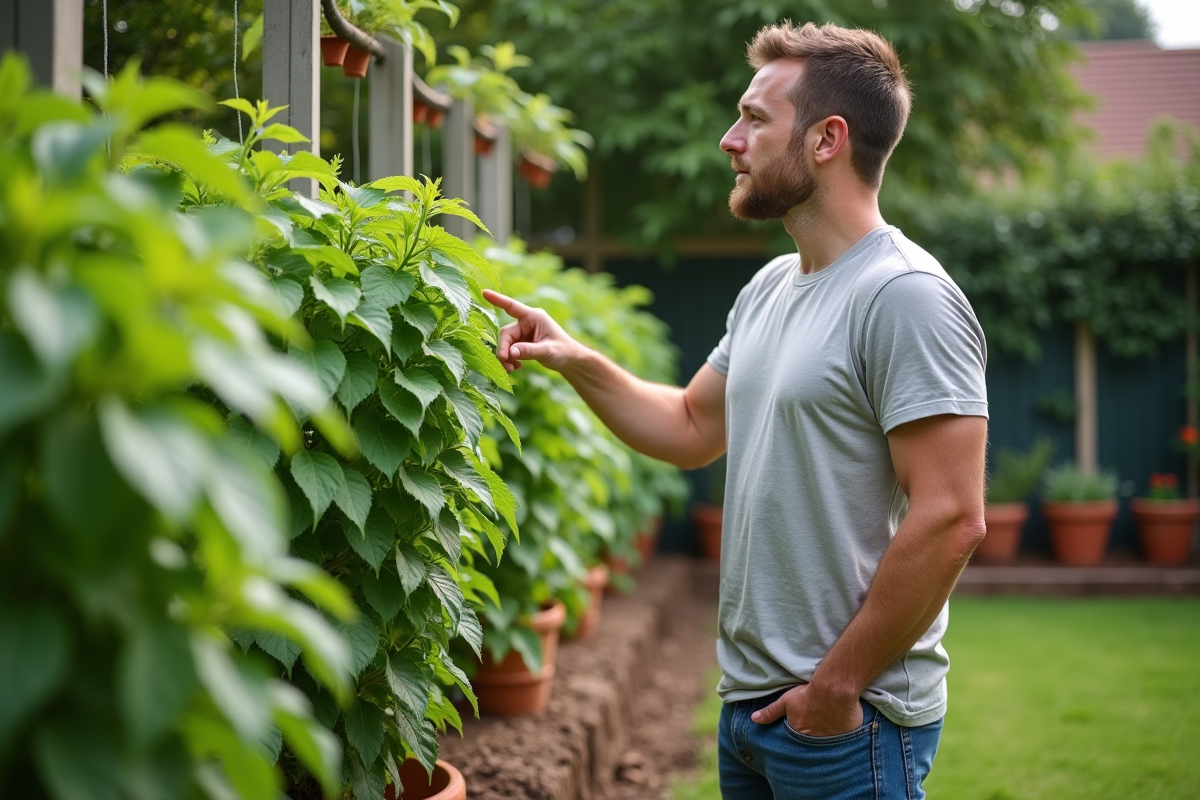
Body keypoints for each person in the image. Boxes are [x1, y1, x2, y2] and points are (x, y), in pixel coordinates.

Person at [483, 20, 988, 800]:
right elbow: (689, 427)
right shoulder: (770, 289)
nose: (730, 139)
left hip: (847, 722)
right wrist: (575, 357)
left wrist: (835, 689)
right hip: (753, 711)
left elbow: (953, 515)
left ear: (827, 139)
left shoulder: (905, 297)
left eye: (755, 118)